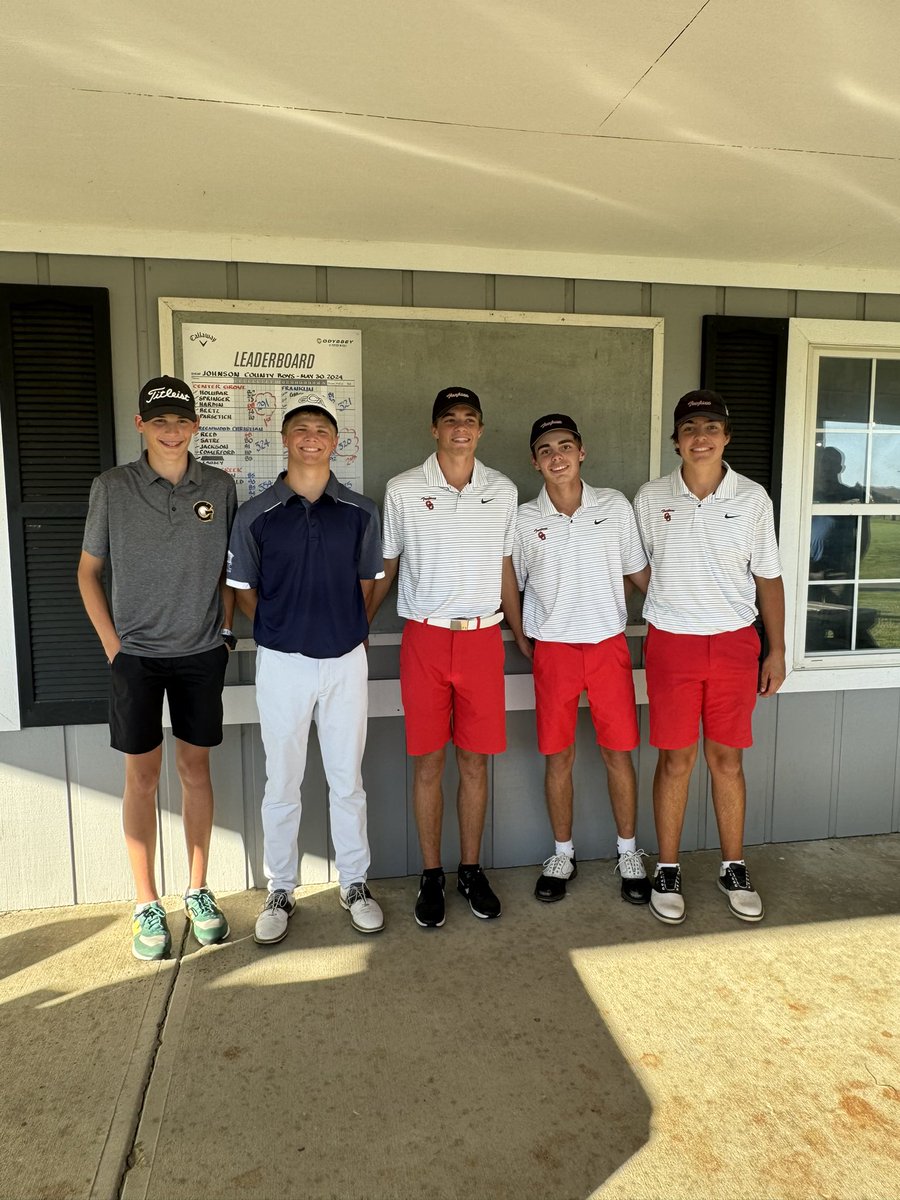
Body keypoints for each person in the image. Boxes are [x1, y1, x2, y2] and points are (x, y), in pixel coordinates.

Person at [78, 375, 237, 961]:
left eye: (182, 421)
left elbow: (229, 572)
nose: (172, 431)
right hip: (136, 660)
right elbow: (87, 572)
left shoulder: (219, 487)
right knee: (140, 779)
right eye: (160, 421)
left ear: (196, 426)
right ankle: (146, 900)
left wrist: (222, 633)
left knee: (195, 771)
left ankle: (198, 889)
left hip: (200, 655)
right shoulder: (112, 487)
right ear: (141, 425)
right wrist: (114, 649)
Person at [227, 395, 385, 944]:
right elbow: (244, 593)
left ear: (335, 442)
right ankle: (281, 887)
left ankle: (356, 883)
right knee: (283, 780)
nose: (311, 437)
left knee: (347, 780)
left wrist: (344, 629)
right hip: (282, 662)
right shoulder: (255, 514)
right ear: (286, 440)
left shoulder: (362, 511)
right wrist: (282, 625)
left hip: (345, 660)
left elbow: (369, 583)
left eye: (322, 429)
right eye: (301, 429)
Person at [368, 387, 523, 927]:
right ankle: (431, 874)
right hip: (426, 638)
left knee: (475, 762)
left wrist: (520, 629)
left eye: (470, 419)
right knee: (430, 762)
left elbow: (506, 565)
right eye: (450, 419)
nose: (461, 427)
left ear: (480, 430)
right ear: (433, 429)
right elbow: (386, 564)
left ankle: (470, 869)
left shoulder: (502, 489)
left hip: (483, 639)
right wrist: (360, 622)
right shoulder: (405, 488)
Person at [633, 389, 786, 925]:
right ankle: (668, 868)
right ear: (676, 439)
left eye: (712, 428)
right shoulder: (651, 498)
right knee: (676, 759)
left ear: (726, 437)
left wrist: (778, 649)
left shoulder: (753, 498)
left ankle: (733, 865)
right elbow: (637, 566)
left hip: (734, 644)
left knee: (727, 760)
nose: (701, 438)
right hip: (672, 642)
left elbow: (768, 574)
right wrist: (670, 598)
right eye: (691, 428)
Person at [512, 414, 651, 905]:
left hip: (608, 645)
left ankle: (629, 851)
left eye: (565, 446)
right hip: (554, 649)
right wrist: (518, 630)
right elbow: (514, 580)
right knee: (559, 755)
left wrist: (672, 618)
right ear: (535, 461)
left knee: (618, 753)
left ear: (581, 452)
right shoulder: (526, 518)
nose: (557, 456)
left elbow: (638, 572)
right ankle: (562, 853)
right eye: (546, 449)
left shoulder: (613, 505)